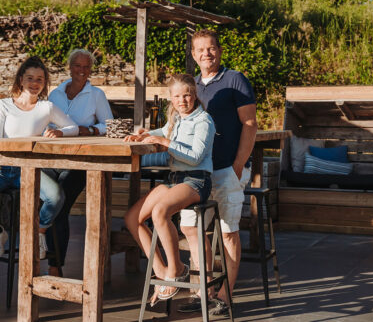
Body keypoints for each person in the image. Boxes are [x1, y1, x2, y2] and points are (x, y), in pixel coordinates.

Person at [178, 29, 257, 316]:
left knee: (227, 233)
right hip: (198, 172)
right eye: (200, 49)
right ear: (193, 54)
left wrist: (238, 166)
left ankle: (225, 295)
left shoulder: (235, 79)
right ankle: (204, 290)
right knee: (190, 227)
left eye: (210, 48)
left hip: (227, 170)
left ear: (219, 51)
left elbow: (249, 125)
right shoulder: (193, 85)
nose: (206, 54)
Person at [124, 74, 216, 305]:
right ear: (171, 99)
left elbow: (195, 158)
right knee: (133, 218)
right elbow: (165, 131)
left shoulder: (203, 121)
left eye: (186, 95)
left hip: (196, 180)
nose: (182, 100)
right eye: (177, 96)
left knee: (160, 212)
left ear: (194, 95)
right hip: (176, 179)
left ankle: (176, 269)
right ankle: (162, 270)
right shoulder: (177, 118)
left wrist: (167, 144)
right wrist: (146, 134)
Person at [0, 56, 79, 261]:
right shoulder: (3, 105)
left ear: (44, 83)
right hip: (0, 170)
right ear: (21, 79)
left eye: (40, 79)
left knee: (56, 196)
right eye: (30, 78)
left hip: (28, 171)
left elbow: (73, 127)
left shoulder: (46, 108)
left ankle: (39, 232)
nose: (34, 83)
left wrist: (60, 133)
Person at [44, 49, 113, 277]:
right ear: (70, 67)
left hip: (80, 161)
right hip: (51, 158)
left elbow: (110, 126)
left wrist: (90, 129)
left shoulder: (96, 95)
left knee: (60, 204)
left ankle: (55, 266)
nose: (82, 71)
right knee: (45, 203)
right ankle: (44, 257)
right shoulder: (55, 94)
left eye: (86, 67)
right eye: (77, 66)